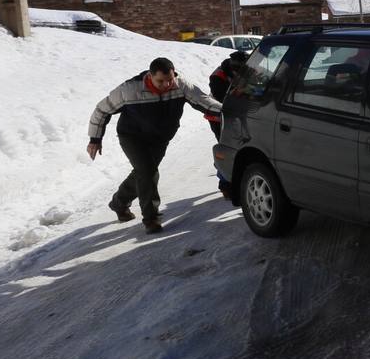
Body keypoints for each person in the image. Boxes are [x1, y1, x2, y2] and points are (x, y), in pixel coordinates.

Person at [86, 56, 223, 234]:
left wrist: (229, 111)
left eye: (169, 80)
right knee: (148, 171)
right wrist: (95, 139)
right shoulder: (130, 90)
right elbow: (102, 110)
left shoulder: (180, 85)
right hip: (133, 137)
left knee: (143, 173)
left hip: (160, 138)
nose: (166, 85)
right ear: (150, 76)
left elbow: (204, 101)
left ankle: (119, 202)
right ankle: (151, 219)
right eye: (160, 81)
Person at [205, 50, 248, 203]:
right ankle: (225, 185)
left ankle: (230, 181)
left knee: (239, 148)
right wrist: (242, 91)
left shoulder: (247, 68)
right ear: (232, 66)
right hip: (217, 116)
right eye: (238, 70)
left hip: (237, 115)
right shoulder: (218, 76)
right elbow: (221, 99)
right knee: (227, 149)